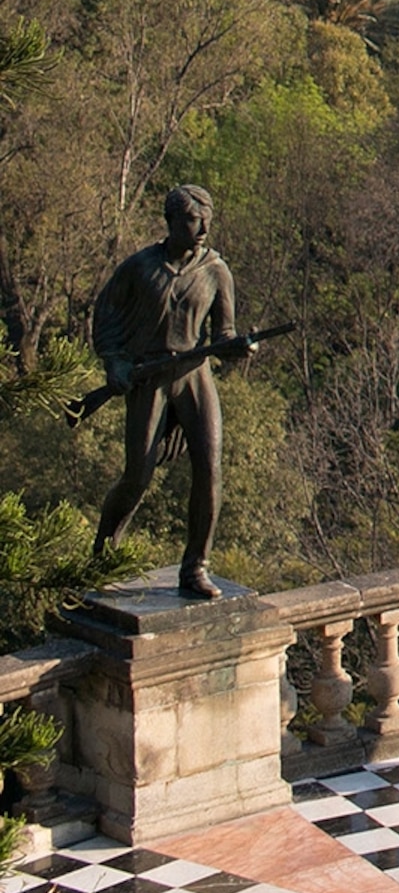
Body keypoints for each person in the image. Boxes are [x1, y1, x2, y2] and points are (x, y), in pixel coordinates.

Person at [91, 184, 240, 598]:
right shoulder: (140, 268)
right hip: (150, 378)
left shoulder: (215, 271)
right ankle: (103, 554)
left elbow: (223, 333)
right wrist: (116, 362)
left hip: (194, 376)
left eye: (207, 220)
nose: (203, 228)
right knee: (137, 475)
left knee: (209, 468)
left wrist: (237, 348)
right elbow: (106, 319)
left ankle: (196, 567)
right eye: (194, 220)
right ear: (171, 221)